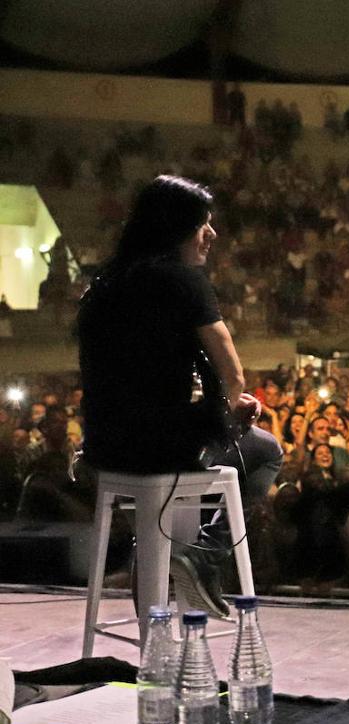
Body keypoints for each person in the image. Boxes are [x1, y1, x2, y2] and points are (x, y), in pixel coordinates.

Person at [77, 175, 283, 619]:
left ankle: (156, 624)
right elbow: (233, 374)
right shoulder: (182, 280)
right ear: (175, 227)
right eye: (202, 223)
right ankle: (204, 554)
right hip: (161, 449)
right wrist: (228, 410)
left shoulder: (102, 284)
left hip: (104, 448)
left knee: (156, 525)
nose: (212, 233)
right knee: (266, 449)